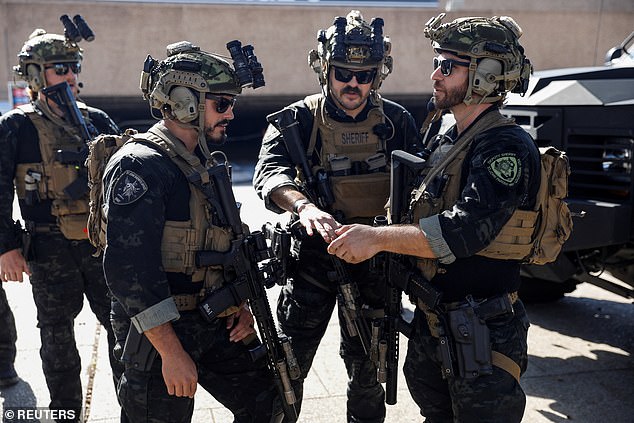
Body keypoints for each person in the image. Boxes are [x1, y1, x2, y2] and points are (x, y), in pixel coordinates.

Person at [327, 13, 537, 422]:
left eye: (447, 66)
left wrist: (378, 238)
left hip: (483, 328)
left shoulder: (504, 146)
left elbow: (464, 230)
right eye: (437, 63)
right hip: (436, 319)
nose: (435, 75)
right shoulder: (445, 136)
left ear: (486, 75)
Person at [253, 10, 421, 423]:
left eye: (365, 75)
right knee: (287, 370)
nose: (353, 84)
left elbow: (423, 185)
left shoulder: (398, 121)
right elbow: (268, 174)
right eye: (344, 73)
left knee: (368, 373)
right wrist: (303, 206)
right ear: (325, 69)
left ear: (378, 76)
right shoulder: (299, 119)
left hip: (374, 264)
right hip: (312, 262)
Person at [102, 40, 281, 423]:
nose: (231, 114)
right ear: (185, 100)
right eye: (222, 103)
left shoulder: (203, 159)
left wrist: (241, 305)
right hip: (159, 332)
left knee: (273, 406)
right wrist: (170, 352)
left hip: (213, 316)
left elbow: (222, 236)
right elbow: (128, 272)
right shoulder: (141, 166)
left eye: (231, 103)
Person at [0, 27, 123, 419]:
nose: (70, 76)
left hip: (100, 247)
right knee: (56, 337)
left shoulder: (98, 120)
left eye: (73, 67)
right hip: (49, 250)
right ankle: (65, 411)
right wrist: (6, 246)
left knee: (125, 330)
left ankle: (136, 407)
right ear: (36, 76)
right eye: (60, 68)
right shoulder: (15, 128)